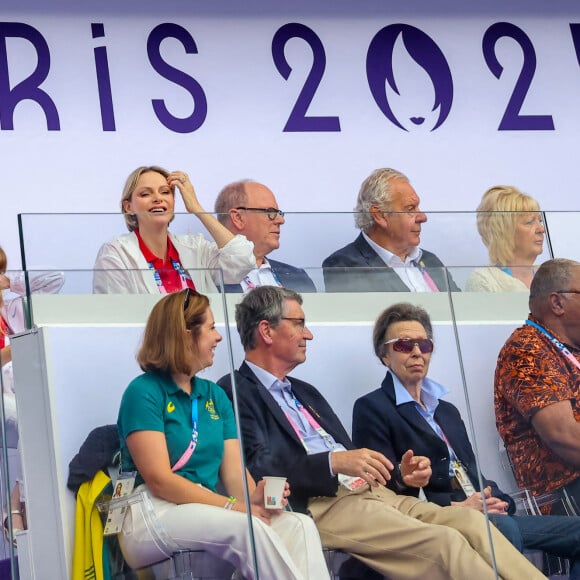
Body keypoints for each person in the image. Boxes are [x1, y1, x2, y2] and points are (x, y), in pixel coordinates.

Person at [217, 285, 546, 580]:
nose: (309, 335)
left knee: (475, 525)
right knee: (444, 543)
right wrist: (333, 463)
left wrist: (401, 476)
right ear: (266, 331)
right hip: (322, 505)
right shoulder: (234, 390)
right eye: (299, 323)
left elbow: (354, 463)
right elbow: (262, 469)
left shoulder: (305, 390)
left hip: (375, 495)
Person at [352, 301, 580, 576]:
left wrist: (496, 499)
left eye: (424, 345)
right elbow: (381, 490)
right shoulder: (372, 408)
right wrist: (455, 506)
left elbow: (472, 471)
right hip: (436, 517)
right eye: (403, 345)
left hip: (482, 511)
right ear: (384, 354)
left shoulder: (446, 410)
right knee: (500, 529)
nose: (416, 353)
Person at [117, 289, 329, 579]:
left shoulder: (214, 395)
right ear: (184, 334)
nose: (218, 337)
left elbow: (233, 476)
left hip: (206, 509)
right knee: (249, 528)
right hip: (151, 513)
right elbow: (160, 481)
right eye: (211, 328)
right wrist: (237, 508)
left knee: (298, 525)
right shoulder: (143, 392)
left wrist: (256, 497)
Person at [495, 258, 580, 512]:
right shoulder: (527, 349)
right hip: (565, 494)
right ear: (557, 303)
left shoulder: (573, 348)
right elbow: (565, 437)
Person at [93, 166, 256, 294]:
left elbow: (242, 261)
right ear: (128, 207)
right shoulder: (116, 253)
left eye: (165, 192)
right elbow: (116, 316)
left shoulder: (195, 247)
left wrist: (197, 208)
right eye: (145, 194)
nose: (158, 198)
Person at [1, 245, 64, 547]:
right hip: (4, 402)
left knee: (41, 413)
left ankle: (17, 500)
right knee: (34, 414)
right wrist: (20, 346)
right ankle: (24, 504)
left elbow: (56, 279)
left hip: (25, 397)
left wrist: (10, 282)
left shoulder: (13, 307)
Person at [322, 168, 460, 292]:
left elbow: (461, 311)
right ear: (380, 215)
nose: (423, 217)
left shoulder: (430, 260)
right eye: (410, 209)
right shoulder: (345, 266)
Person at [214, 179, 316, 293]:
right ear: (238, 218)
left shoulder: (298, 277)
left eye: (279, 213)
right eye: (270, 212)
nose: (281, 220)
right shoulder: (206, 277)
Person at [466, 186, 546, 292]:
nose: (542, 229)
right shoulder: (484, 280)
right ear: (504, 231)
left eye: (540, 221)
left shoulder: (551, 278)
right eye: (529, 222)